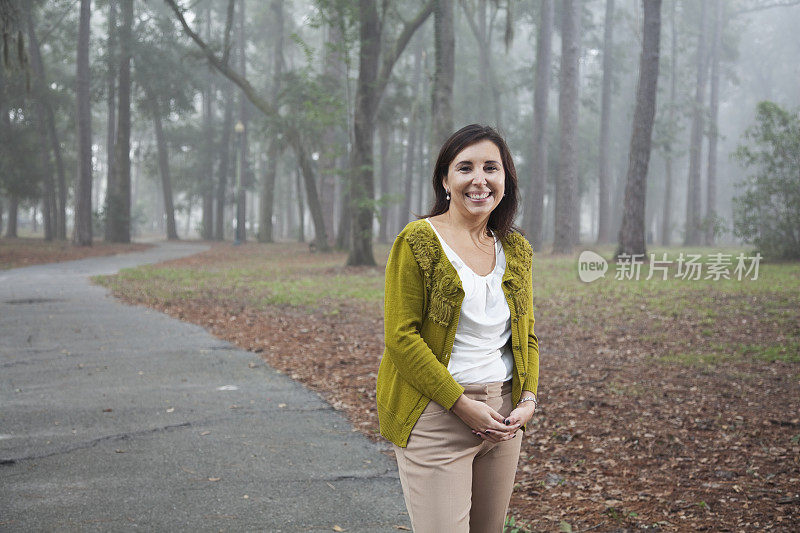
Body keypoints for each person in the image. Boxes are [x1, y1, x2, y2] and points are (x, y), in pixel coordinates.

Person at [376, 124, 540, 532]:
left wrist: (528, 399)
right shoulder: (418, 241)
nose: (479, 179)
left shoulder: (515, 249)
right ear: (445, 180)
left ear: (506, 180)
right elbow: (401, 338)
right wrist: (461, 404)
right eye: (465, 167)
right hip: (437, 417)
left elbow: (527, 335)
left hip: (503, 421)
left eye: (492, 168)